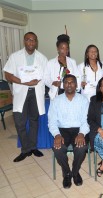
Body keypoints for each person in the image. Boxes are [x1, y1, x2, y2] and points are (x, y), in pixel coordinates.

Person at [4, 32, 48, 162]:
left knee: (34, 120)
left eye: (34, 40)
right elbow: (8, 75)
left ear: (36, 42)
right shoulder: (15, 57)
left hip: (36, 92)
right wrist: (24, 82)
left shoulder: (42, 58)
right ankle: (25, 149)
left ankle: (33, 147)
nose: (31, 42)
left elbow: (46, 76)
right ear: (24, 41)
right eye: (28, 40)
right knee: (20, 122)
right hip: (21, 92)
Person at [48, 74, 89, 189]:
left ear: (76, 85)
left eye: (72, 82)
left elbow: (86, 120)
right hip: (62, 130)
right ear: (63, 85)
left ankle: (75, 172)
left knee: (81, 148)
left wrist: (81, 134)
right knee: (58, 148)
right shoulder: (56, 100)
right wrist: (56, 135)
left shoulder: (83, 100)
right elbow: (52, 121)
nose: (69, 84)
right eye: (66, 82)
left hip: (79, 129)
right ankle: (66, 173)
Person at [44, 34, 80, 100]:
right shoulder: (50, 63)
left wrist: (76, 86)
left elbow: (77, 76)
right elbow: (45, 78)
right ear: (58, 49)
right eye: (62, 48)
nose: (65, 51)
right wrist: (52, 83)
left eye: (67, 48)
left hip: (70, 90)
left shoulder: (72, 62)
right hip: (57, 91)